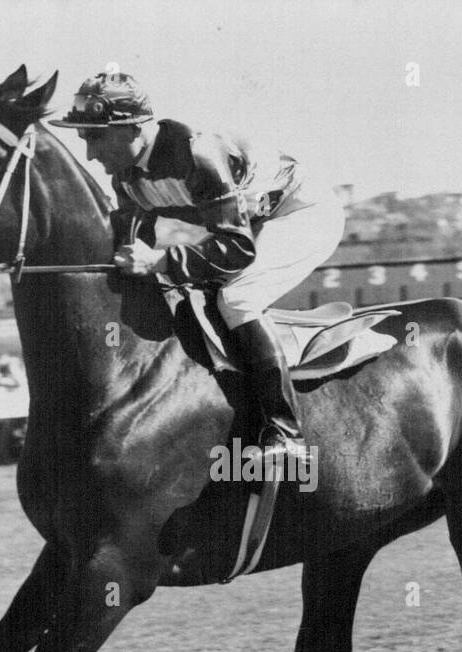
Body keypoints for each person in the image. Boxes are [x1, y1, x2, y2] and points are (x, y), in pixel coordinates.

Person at [50, 70, 345, 465]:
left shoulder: (199, 155)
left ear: (133, 129)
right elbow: (129, 245)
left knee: (238, 299)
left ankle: (287, 434)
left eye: (95, 136)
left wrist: (158, 260)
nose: (89, 152)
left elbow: (237, 250)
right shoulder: (125, 177)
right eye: (84, 137)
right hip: (254, 222)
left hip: (303, 212)